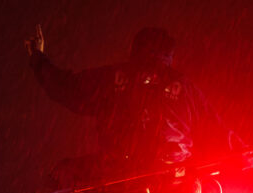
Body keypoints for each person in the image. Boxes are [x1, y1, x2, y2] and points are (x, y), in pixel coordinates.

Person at [26, 24, 235, 177]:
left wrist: (38, 59)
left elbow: (65, 88)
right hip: (171, 176)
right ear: (169, 55)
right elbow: (217, 129)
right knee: (64, 175)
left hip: (122, 175)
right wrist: (250, 154)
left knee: (62, 174)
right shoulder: (185, 87)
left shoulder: (111, 78)